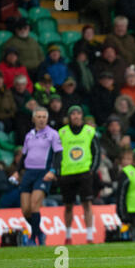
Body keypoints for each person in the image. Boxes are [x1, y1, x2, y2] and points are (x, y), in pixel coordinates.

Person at [10, 106, 63, 246]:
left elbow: (58, 154)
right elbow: (24, 155)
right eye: (38, 117)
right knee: (25, 210)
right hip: (29, 173)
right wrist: (17, 170)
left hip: (43, 172)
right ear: (33, 119)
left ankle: (34, 239)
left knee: (34, 206)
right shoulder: (29, 135)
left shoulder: (53, 134)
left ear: (47, 118)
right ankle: (39, 232)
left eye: (44, 117)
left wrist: (53, 170)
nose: (41, 119)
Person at [48, 105, 101, 245]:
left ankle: (89, 236)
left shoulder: (89, 131)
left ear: (82, 116)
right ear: (69, 117)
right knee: (68, 205)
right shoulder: (62, 132)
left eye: (78, 114)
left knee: (87, 203)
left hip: (84, 172)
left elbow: (97, 152)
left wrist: (92, 170)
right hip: (67, 173)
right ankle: (68, 235)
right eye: (73, 114)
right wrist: (57, 170)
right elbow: (56, 153)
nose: (76, 116)